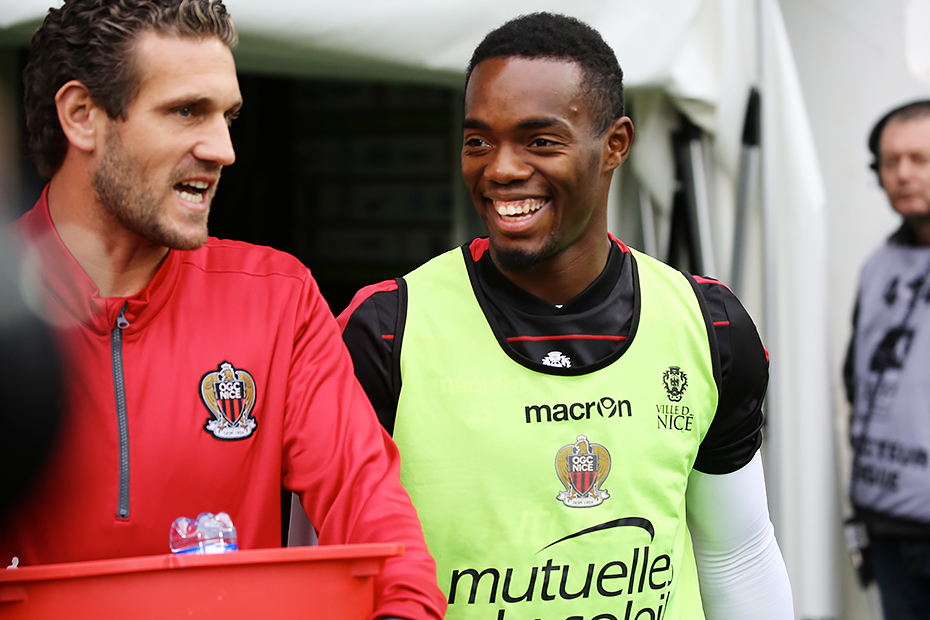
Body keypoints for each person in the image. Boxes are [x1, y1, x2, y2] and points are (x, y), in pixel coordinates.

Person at [338, 12, 793, 620]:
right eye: (479, 141)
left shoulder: (709, 326)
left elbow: (737, 555)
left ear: (615, 145)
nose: (501, 168)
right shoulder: (386, 329)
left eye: (540, 141)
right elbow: (327, 564)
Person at [2, 1, 446, 618]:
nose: (224, 149)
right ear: (82, 116)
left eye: (228, 116)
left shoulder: (278, 297)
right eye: (187, 111)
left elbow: (374, 514)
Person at [844, 99, 930, 620]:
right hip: (886, 520)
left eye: (920, 159)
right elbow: (857, 378)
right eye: (891, 161)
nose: (903, 174)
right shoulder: (879, 265)